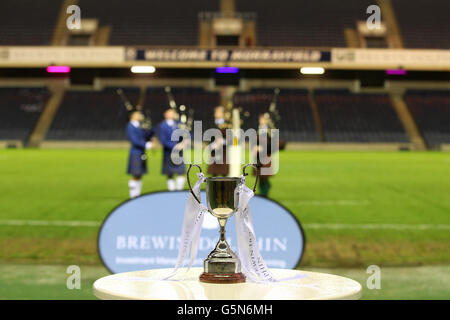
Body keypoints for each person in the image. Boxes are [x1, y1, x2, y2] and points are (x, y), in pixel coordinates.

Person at [126, 110, 155, 198]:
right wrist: (148, 144)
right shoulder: (130, 126)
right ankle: (133, 195)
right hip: (135, 153)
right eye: (138, 114)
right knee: (135, 173)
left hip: (141, 152)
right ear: (132, 116)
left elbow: (146, 135)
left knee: (139, 174)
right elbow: (134, 140)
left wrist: (150, 130)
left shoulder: (139, 125)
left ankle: (137, 194)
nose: (140, 115)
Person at [158, 108, 186, 191]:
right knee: (169, 173)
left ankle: (178, 190)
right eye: (170, 113)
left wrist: (185, 141)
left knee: (181, 172)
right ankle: (171, 190)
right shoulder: (162, 126)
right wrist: (175, 146)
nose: (173, 114)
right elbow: (163, 140)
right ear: (165, 114)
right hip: (168, 152)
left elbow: (187, 134)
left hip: (179, 152)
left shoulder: (179, 124)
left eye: (173, 113)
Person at [253, 113, 274, 197]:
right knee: (260, 177)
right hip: (258, 157)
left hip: (265, 156)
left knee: (264, 177)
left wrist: (262, 148)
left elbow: (272, 145)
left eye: (262, 119)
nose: (260, 121)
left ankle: (265, 192)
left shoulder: (269, 131)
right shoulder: (259, 130)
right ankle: (263, 191)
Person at [207, 106, 229, 177]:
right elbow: (207, 138)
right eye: (216, 112)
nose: (217, 114)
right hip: (214, 152)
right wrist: (213, 145)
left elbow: (233, 140)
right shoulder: (210, 124)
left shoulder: (228, 125)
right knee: (214, 174)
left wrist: (222, 142)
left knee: (224, 174)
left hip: (224, 152)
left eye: (219, 112)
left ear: (223, 113)